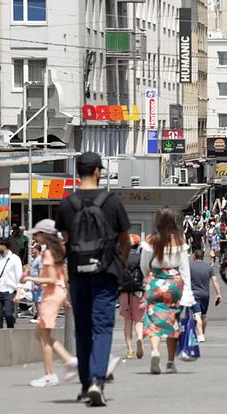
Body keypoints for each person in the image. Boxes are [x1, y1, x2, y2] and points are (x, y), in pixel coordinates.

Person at [55, 151, 131, 407]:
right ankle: (98, 380)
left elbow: (63, 239)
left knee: (83, 330)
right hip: (105, 272)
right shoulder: (111, 202)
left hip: (78, 273)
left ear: (78, 172)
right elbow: (125, 238)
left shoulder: (67, 204)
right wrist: (120, 262)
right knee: (102, 327)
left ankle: (86, 383)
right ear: (98, 172)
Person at [22, 220, 79, 387]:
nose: (35, 237)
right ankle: (69, 361)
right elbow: (63, 276)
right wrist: (66, 296)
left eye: (37, 234)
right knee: (41, 334)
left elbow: (52, 279)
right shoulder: (58, 250)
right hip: (58, 293)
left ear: (44, 235)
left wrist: (30, 278)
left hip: (51, 294)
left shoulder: (48, 254)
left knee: (43, 336)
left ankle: (50, 375)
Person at [140, 207, 196, 375]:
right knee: (173, 320)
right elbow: (185, 269)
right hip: (174, 284)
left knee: (153, 319)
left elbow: (144, 266)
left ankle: (155, 350)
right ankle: (170, 362)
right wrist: (187, 292)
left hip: (155, 281)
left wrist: (149, 279)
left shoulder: (150, 241)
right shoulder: (179, 242)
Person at [119, 234, 146, 360]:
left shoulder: (121, 256)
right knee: (139, 321)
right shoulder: (141, 257)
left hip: (124, 291)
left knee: (127, 321)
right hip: (138, 290)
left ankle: (129, 350)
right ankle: (140, 338)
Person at [190, 249, 222, 342]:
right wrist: (218, 294)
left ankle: (200, 335)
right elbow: (214, 280)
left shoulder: (190, 266)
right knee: (203, 315)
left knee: (197, 315)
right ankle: (202, 333)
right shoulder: (208, 267)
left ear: (194, 256)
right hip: (205, 294)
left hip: (194, 294)